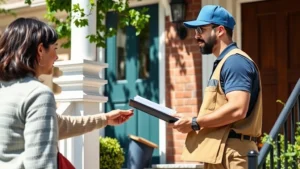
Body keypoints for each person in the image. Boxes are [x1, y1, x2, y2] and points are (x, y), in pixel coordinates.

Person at [0, 17, 133, 169]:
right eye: (55, 48)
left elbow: (57, 125)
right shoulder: (37, 94)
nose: (56, 56)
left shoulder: (5, 91)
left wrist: (105, 119)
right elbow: (41, 163)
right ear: (40, 50)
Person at [172, 5, 262, 169]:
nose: (196, 35)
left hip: (234, 155)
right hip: (220, 152)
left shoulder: (235, 62)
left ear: (220, 30)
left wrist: (195, 123)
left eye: (201, 29)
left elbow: (237, 108)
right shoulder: (225, 62)